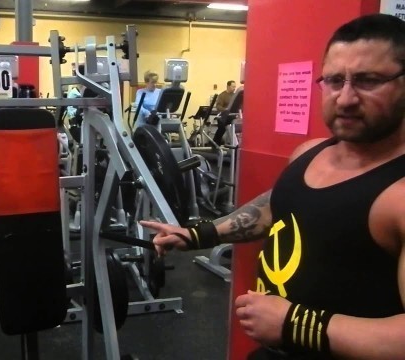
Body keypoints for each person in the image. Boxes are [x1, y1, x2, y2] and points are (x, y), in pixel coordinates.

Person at [140, 13, 405, 360]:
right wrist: (197, 235)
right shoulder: (309, 154)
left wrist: (294, 323)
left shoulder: (398, 194)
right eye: (334, 80)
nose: (345, 98)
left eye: (368, 81)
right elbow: (274, 207)